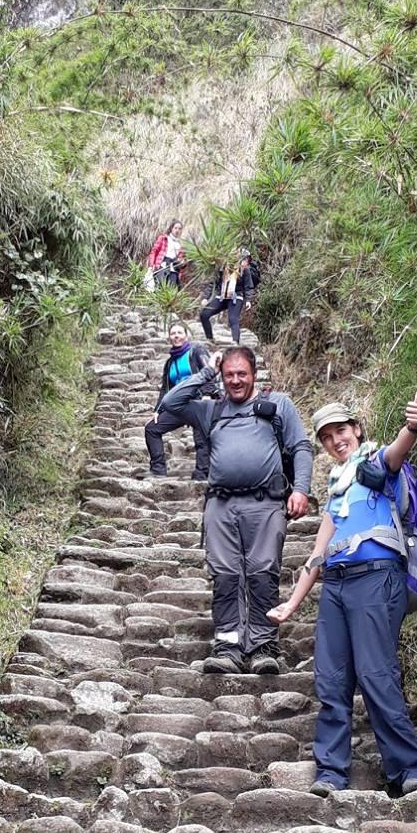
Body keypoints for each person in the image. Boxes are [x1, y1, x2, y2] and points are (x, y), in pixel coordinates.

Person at [268, 394, 417, 797]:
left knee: (376, 674)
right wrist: (293, 602)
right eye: (326, 437)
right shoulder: (336, 489)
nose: (335, 441)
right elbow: (317, 554)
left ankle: (411, 770)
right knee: (331, 679)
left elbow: (398, 451)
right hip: (337, 585)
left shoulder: (375, 463)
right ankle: (330, 771)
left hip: (377, 579)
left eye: (341, 431)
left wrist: (411, 426)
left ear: (357, 429)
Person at [196, 346, 312, 675]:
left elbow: (301, 446)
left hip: (266, 502)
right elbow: (171, 404)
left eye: (242, 374)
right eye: (228, 374)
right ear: (221, 376)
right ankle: (228, 646)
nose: (235, 380)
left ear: (254, 375)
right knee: (225, 574)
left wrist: (301, 489)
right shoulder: (212, 409)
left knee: (263, 571)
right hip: (220, 504)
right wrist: (206, 372)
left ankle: (263, 646)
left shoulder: (279, 405)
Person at [145, 322, 214, 478]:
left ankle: (202, 473)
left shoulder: (196, 351)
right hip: (178, 406)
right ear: (169, 337)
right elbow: (165, 388)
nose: (176, 336)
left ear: (186, 335)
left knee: (201, 438)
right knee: (151, 428)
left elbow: (209, 371)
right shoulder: (170, 362)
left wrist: (207, 394)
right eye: (173, 333)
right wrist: (157, 411)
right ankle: (158, 470)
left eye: (179, 333)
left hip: (198, 402)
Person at [199, 248, 259, 346]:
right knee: (204, 314)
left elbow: (248, 286)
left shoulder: (245, 270)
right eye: (245, 259)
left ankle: (235, 342)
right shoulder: (222, 267)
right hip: (222, 296)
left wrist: (248, 300)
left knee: (233, 319)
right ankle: (209, 339)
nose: (246, 262)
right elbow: (213, 282)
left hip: (236, 297)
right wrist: (206, 297)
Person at [145, 218, 185, 290]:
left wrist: (182, 262)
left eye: (179, 229)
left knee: (171, 290)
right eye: (175, 228)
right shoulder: (163, 238)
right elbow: (154, 252)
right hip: (162, 266)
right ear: (171, 228)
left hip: (174, 269)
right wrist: (151, 265)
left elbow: (181, 260)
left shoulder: (180, 244)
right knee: (159, 288)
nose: (177, 230)